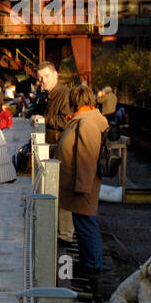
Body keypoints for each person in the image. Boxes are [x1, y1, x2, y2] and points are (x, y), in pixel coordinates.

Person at [57, 84, 110, 280]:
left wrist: (82, 187)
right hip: (78, 184)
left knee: (87, 223)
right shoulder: (85, 120)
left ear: (76, 101)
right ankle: (89, 262)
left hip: (81, 186)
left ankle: (92, 265)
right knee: (83, 222)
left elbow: (86, 157)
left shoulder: (86, 123)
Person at [34, 61, 72, 146]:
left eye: (47, 76)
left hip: (58, 147)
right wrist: (31, 115)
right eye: (40, 77)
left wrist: (45, 120)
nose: (43, 80)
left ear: (55, 75)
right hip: (47, 144)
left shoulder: (65, 94)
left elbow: (66, 121)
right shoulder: (45, 94)